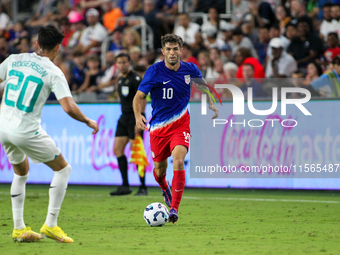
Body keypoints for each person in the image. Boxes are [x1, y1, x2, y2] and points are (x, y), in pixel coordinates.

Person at [0, 25, 99, 243]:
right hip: (26, 131)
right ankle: (51, 225)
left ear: (37, 43)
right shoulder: (54, 72)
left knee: (21, 172)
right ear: (57, 48)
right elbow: (68, 107)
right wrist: (87, 120)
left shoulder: (13, 59)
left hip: (3, 128)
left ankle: (19, 229)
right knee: (63, 169)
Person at [132, 34, 218, 223]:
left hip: (181, 124)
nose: (172, 52)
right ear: (163, 51)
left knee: (178, 162)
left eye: (175, 49)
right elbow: (138, 97)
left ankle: (174, 209)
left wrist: (210, 102)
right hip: (158, 128)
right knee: (160, 171)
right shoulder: (154, 71)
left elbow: (202, 86)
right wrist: (139, 116)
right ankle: (165, 188)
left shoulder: (190, 69)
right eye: (168, 49)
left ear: (181, 50)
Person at [110, 53, 148, 196]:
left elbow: (143, 99)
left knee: (136, 151)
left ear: (129, 63)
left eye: (124, 62)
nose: (122, 65)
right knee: (117, 149)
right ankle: (125, 185)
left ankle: (143, 187)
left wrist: (140, 118)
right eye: (119, 62)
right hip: (124, 117)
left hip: (135, 117)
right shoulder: (120, 79)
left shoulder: (136, 79)